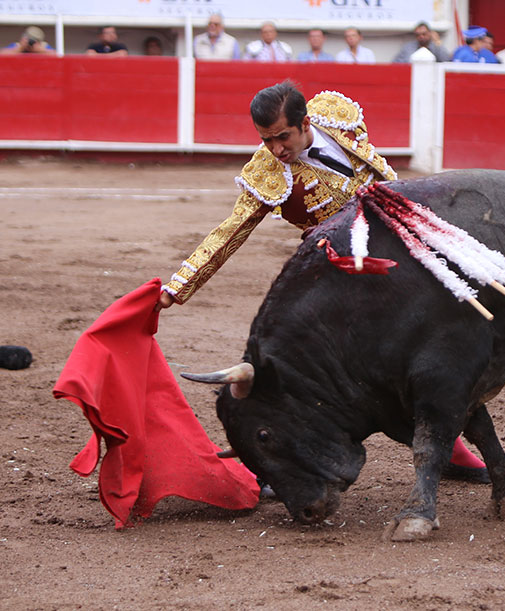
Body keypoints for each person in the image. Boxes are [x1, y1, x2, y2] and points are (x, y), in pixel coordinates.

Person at [156, 80, 487, 482]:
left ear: (306, 122)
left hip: (400, 246)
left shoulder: (338, 115)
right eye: (266, 140)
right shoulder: (266, 173)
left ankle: (452, 442)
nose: (276, 149)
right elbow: (230, 231)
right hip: (338, 280)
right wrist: (178, 287)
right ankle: (287, 461)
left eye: (282, 137)